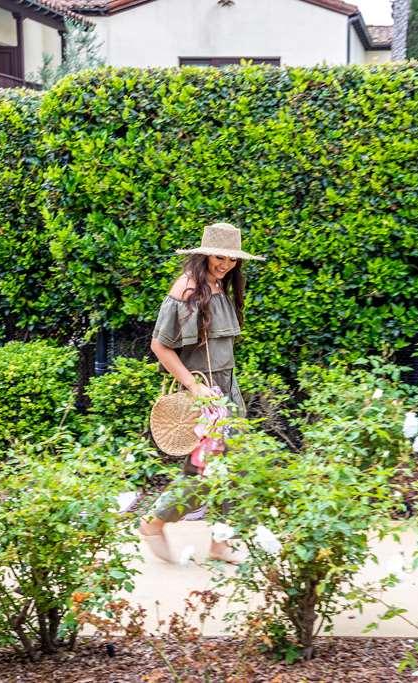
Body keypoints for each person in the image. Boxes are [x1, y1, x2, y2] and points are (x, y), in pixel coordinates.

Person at [139, 222, 264, 564]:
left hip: (227, 390)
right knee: (207, 471)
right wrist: (195, 388)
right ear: (205, 253)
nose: (225, 264)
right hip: (207, 397)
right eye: (219, 256)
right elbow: (160, 346)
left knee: (232, 468)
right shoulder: (187, 289)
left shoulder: (220, 285)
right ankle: (155, 522)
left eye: (231, 259)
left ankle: (219, 542)